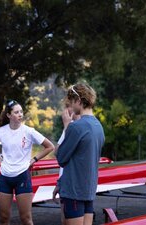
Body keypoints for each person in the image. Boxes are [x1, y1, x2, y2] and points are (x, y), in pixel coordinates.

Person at [0, 100, 55, 225]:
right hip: (5, 178)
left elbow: (50, 147)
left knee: (26, 219)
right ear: (8, 115)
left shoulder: (29, 131)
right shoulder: (1, 131)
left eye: (21, 112)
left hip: (22, 176)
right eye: (16, 112)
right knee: (4, 218)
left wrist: (33, 160)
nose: (20, 114)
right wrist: (0, 159)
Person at [56, 83, 105, 225]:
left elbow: (61, 158)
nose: (70, 107)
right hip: (88, 190)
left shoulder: (76, 127)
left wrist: (66, 127)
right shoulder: (99, 126)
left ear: (79, 101)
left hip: (73, 190)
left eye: (71, 102)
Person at [53, 101, 81, 225]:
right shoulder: (70, 126)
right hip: (64, 182)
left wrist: (67, 127)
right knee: (64, 220)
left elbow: (61, 154)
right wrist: (59, 182)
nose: (66, 110)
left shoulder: (77, 127)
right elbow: (57, 152)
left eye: (68, 106)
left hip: (74, 186)